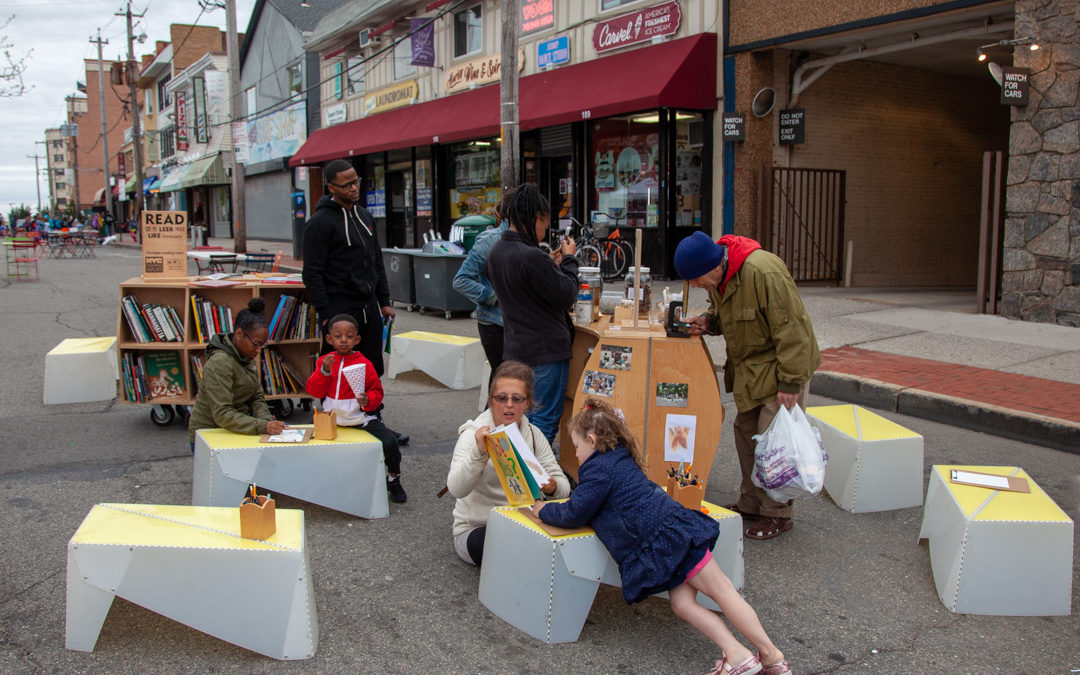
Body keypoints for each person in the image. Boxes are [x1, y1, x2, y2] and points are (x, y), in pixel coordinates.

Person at [534, 398, 790, 675]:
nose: (576, 453)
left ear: (592, 440)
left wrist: (543, 510)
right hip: (669, 538)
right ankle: (738, 654)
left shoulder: (598, 470)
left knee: (722, 591)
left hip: (668, 540)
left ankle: (771, 656)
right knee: (683, 604)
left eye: (576, 446)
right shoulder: (619, 457)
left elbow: (574, 512)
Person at [674, 231, 820, 541]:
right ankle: (752, 502)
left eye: (695, 279)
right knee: (746, 435)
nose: (694, 286)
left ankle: (777, 513)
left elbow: (792, 328)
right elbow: (728, 317)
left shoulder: (763, 271)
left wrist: (790, 382)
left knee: (774, 445)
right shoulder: (721, 278)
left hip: (779, 369)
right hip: (751, 373)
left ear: (711, 266)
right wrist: (708, 322)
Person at [302, 158, 407, 445]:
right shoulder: (319, 223)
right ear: (331, 187)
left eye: (356, 181)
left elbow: (376, 261)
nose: (354, 188)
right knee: (337, 369)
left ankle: (374, 421)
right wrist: (326, 314)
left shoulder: (365, 216)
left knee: (370, 365)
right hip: (339, 309)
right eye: (346, 184)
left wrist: (384, 300)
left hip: (368, 306)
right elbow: (311, 273)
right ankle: (330, 421)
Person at [447, 360, 571, 566]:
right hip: (478, 527)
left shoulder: (532, 434)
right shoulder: (472, 435)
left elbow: (563, 488)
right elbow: (456, 489)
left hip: (525, 522)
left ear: (527, 402)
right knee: (512, 544)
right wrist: (479, 454)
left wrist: (553, 487)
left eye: (517, 399)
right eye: (502, 398)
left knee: (563, 538)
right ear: (491, 400)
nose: (509, 405)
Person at [485, 184, 578, 445]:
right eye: (544, 225)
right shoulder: (531, 258)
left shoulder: (497, 253)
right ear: (534, 217)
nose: (544, 231)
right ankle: (534, 482)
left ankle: (522, 478)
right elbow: (567, 294)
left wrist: (548, 264)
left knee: (522, 424)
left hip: (516, 351)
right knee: (543, 425)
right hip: (545, 352)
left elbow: (524, 286)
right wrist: (569, 260)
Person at [305, 313, 406, 503]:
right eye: (338, 336)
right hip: (330, 419)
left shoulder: (365, 364)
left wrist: (368, 401)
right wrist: (324, 371)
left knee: (390, 443)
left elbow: (376, 391)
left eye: (349, 336)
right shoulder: (324, 361)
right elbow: (313, 389)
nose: (343, 340)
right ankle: (318, 482)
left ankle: (393, 478)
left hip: (361, 419)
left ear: (357, 339)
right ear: (329, 339)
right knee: (309, 447)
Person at [188, 298, 286, 452]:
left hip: (240, 427)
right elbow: (222, 413)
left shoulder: (246, 356)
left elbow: (256, 397)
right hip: (211, 434)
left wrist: (267, 422)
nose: (259, 350)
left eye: (262, 345)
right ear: (239, 334)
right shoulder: (220, 362)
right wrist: (263, 426)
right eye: (256, 344)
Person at [452, 190, 515, 384]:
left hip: (513, 324)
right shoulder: (490, 240)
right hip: (494, 325)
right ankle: (491, 414)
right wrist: (491, 295)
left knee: (504, 381)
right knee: (503, 382)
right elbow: (461, 280)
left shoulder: (523, 239)